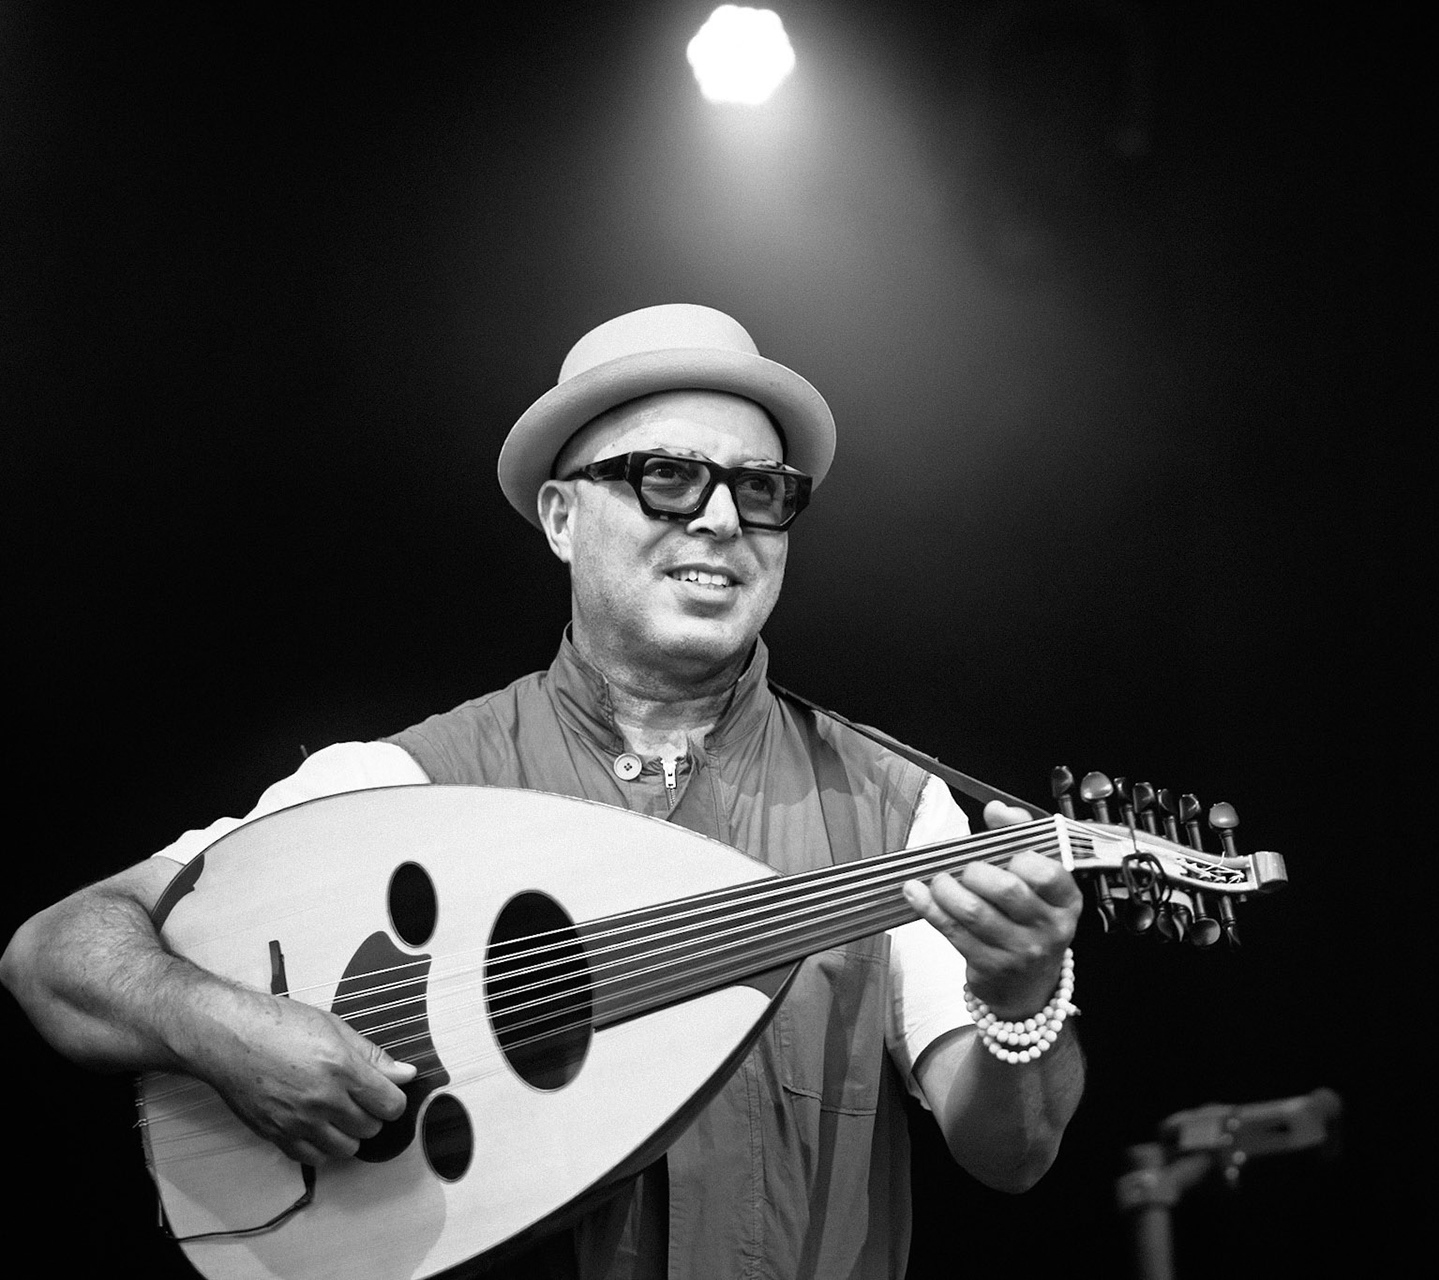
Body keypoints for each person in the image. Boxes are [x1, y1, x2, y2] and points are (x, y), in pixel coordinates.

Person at [1, 303, 1086, 1279]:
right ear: (563, 518)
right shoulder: (401, 786)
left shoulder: (896, 817)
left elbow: (1012, 1152)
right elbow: (57, 952)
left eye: (761, 490)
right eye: (668, 476)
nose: (720, 520)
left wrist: (1024, 999)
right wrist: (227, 1028)